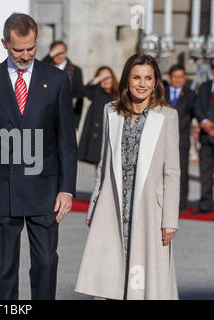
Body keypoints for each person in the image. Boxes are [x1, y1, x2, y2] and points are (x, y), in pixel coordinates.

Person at [0, 13, 77, 300]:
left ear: (36, 41)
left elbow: (67, 139)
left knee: (45, 264)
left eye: (30, 48)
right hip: (0, 191)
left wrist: (67, 189)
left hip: (45, 190)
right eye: (18, 49)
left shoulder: (56, 80)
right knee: (3, 269)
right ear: (4, 42)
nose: (25, 55)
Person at [75, 53, 180, 300]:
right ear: (126, 80)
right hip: (113, 206)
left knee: (145, 281)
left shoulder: (166, 116)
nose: (142, 84)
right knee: (109, 277)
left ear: (155, 82)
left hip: (149, 211)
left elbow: (172, 171)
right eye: (136, 77)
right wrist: (93, 207)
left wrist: (170, 219)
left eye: (148, 78)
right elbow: (103, 164)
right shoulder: (111, 111)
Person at [164, 65, 197, 214]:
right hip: (162, 138)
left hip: (181, 139)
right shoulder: (161, 92)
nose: (178, 79)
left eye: (181, 77)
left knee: (181, 172)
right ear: (170, 77)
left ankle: (181, 204)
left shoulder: (190, 94)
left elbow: (194, 113)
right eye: (175, 76)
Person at [78, 66, 119, 165]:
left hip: (113, 132)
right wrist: (97, 79)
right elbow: (83, 92)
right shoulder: (96, 92)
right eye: (102, 78)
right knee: (98, 165)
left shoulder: (119, 94)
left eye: (108, 77)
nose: (105, 80)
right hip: (97, 134)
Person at [42, 41, 84, 128]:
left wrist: (76, 123)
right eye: (55, 52)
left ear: (66, 53)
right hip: (46, 117)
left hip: (66, 117)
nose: (58, 55)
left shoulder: (75, 70)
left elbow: (80, 97)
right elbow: (36, 69)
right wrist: (49, 56)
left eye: (61, 52)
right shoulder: (45, 68)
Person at [193, 59, 214, 214]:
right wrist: (204, 121)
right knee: (205, 173)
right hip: (206, 138)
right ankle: (205, 204)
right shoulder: (205, 87)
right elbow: (197, 107)